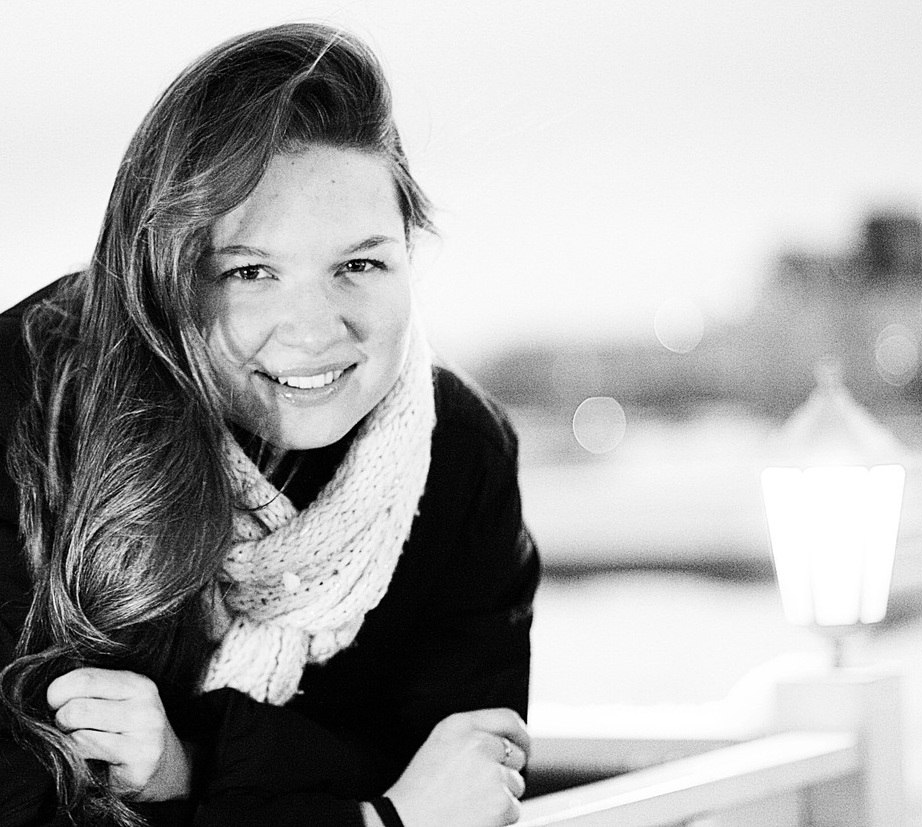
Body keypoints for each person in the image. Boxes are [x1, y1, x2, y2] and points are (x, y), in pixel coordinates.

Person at [0, 22, 539, 827]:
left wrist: (188, 764)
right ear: (164, 274)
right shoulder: (32, 405)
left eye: (360, 264)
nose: (316, 330)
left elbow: (467, 778)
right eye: (251, 271)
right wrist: (370, 817)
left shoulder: (462, 455)